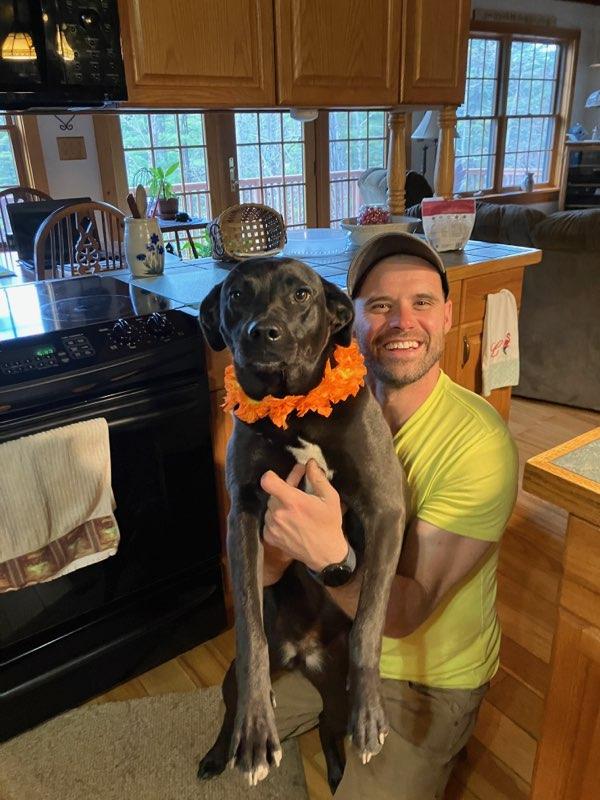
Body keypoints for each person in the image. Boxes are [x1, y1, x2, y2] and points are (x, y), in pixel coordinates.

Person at [259, 232, 519, 800]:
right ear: (344, 322)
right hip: (332, 637)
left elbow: (406, 613)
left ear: (449, 316)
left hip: (423, 676)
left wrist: (328, 557)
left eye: (422, 302)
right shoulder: (321, 419)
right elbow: (261, 572)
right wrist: (279, 544)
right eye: (379, 305)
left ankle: (439, 738)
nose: (402, 321)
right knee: (240, 722)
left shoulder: (480, 446)